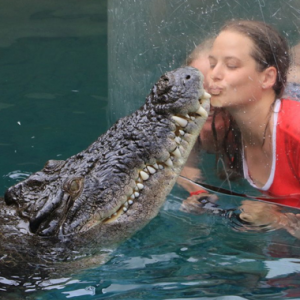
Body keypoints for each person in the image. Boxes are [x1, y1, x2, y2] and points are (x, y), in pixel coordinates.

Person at [180, 20, 300, 239]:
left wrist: (280, 220)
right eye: (213, 63)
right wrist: (198, 192)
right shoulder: (229, 124)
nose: (213, 75)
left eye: (231, 65)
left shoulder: (296, 134)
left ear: (267, 77)